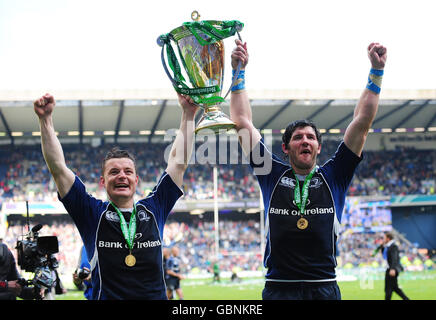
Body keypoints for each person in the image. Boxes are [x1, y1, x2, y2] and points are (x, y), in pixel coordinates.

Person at [230, 40, 387, 300]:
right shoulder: (270, 173)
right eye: (298, 137)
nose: (305, 141)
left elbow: (362, 122)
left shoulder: (335, 175)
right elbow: (241, 122)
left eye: (311, 137)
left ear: (318, 147)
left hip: (323, 287)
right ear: (286, 147)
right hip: (279, 288)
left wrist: (376, 72)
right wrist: (239, 71)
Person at [33, 93, 198, 300]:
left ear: (136, 180)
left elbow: (177, 163)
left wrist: (189, 115)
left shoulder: (154, 208)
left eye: (128, 172)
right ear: (103, 182)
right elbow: (58, 168)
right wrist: (45, 120)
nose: (122, 176)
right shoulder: (92, 214)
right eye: (114, 172)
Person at [374, 232, 409, 300]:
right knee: (393, 288)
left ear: (388, 238)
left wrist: (392, 269)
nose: (383, 239)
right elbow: (384, 255)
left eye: (384, 238)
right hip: (389, 268)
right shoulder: (387, 246)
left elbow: (394, 258)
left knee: (389, 288)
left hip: (392, 269)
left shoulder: (393, 246)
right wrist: (381, 246)